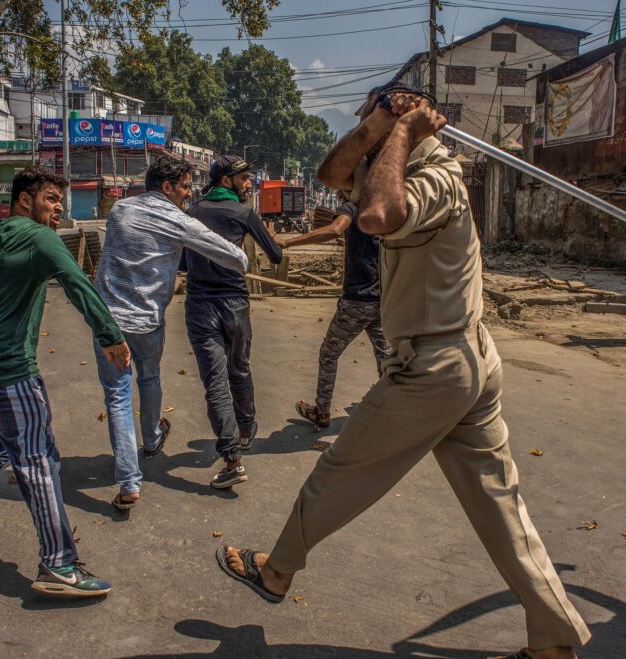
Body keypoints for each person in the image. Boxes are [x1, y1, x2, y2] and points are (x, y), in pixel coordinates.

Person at [214, 87, 590, 659]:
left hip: (435, 366)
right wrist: (379, 131)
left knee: (341, 469)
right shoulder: (390, 157)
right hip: (462, 362)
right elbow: (332, 170)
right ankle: (555, 640)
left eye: (374, 118)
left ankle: (277, 571)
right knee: (500, 508)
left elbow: (378, 214)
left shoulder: (437, 178)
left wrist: (404, 133)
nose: (368, 128)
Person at [0, 166, 131, 597]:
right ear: (25, 200)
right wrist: (110, 336)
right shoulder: (41, 239)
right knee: (37, 458)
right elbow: (78, 284)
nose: (60, 209)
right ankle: (59, 564)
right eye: (52, 200)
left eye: (61, 201)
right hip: (7, 370)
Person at [93, 153, 249, 510]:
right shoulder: (176, 219)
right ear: (166, 187)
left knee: (116, 397)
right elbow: (232, 256)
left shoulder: (119, 211)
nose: (187, 194)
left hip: (107, 321)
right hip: (147, 321)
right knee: (148, 378)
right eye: (183, 186)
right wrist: (243, 261)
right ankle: (150, 439)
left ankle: (129, 482)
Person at [183, 155, 283, 489]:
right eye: (244, 178)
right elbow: (276, 255)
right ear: (226, 181)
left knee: (214, 381)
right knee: (238, 369)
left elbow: (182, 262)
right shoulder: (244, 213)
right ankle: (246, 428)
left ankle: (232, 458)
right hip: (235, 304)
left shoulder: (191, 212)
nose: (249, 183)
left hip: (199, 304)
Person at [277, 194, 392, 428]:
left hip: (356, 301)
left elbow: (335, 230)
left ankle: (322, 411)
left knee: (329, 354)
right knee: (386, 356)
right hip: (383, 299)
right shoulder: (384, 207)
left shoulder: (352, 207)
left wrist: (288, 242)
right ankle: (390, 409)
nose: (338, 193)